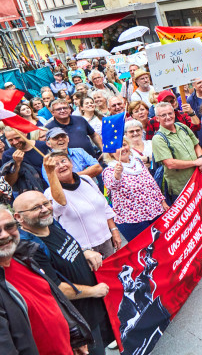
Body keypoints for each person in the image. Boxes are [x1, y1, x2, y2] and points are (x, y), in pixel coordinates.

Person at [13, 192, 114, 355]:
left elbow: (69, 245)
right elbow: (56, 288)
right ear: (19, 217)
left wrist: (85, 251)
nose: (45, 209)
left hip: (95, 307)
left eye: (46, 203)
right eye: (36, 207)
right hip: (80, 318)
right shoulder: (30, 248)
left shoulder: (51, 223)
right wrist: (94, 291)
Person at [0, 205, 92, 355]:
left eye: (9, 226)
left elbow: (51, 299)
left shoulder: (24, 256)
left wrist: (74, 337)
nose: (4, 235)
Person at [41, 151, 119, 258]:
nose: (61, 166)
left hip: (106, 240)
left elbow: (104, 206)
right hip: (84, 250)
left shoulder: (86, 180)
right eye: (55, 165)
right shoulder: (50, 193)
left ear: (71, 162)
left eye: (63, 161)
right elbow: (60, 206)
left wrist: (114, 230)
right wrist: (51, 174)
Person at [103, 145, 168, 241]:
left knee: (162, 245)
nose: (122, 149)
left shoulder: (138, 162)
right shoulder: (110, 170)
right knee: (145, 251)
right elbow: (112, 185)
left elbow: (152, 183)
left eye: (124, 145)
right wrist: (117, 174)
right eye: (117, 148)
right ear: (110, 153)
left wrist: (162, 201)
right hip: (133, 221)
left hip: (155, 212)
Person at [151, 101, 202, 203]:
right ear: (157, 118)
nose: (168, 117)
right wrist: (195, 163)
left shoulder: (182, 127)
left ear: (174, 113)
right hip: (181, 188)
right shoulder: (158, 139)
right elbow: (170, 164)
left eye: (170, 113)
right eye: (163, 115)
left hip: (197, 179)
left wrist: (200, 158)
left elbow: (196, 144)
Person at [1, 127, 49, 194]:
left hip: (50, 189)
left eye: (17, 138)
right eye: (10, 140)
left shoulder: (42, 146)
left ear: (25, 133)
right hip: (27, 194)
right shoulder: (8, 155)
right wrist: (17, 164)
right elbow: (9, 183)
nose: (15, 142)